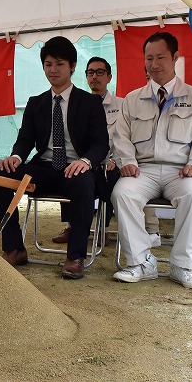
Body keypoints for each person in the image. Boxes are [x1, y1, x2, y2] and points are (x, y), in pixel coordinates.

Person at [0, 36, 109, 279]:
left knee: (84, 183)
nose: (53, 70)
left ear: (73, 66)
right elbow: (25, 139)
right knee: (1, 176)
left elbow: (100, 143)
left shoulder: (90, 102)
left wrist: (85, 162)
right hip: (43, 167)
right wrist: (15, 156)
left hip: (75, 168)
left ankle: (75, 257)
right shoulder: (36, 103)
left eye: (59, 64)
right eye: (48, 64)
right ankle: (14, 248)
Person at [111, 31, 192, 289]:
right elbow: (120, 136)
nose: (154, 64)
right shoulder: (133, 99)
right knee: (122, 193)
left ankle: (183, 266)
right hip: (142, 170)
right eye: (149, 58)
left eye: (160, 57)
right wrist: (128, 161)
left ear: (175, 58)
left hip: (181, 171)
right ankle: (141, 262)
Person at [52, 56, 122, 244]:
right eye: (90, 73)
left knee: (110, 175)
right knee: (67, 168)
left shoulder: (122, 106)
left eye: (100, 73)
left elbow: (126, 139)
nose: (94, 77)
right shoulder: (77, 103)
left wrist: (116, 161)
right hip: (84, 160)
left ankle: (103, 229)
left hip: (110, 161)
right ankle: (71, 226)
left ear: (109, 77)